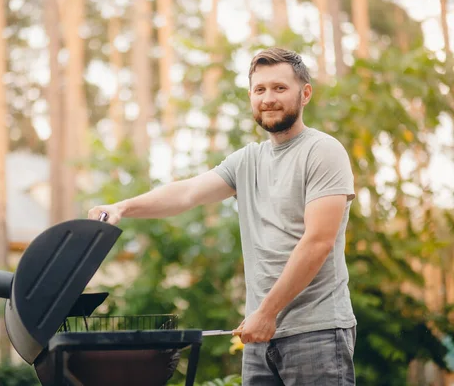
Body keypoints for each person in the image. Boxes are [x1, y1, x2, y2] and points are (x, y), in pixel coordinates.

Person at [87, 47, 357, 385]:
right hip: (260, 335)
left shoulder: (323, 152)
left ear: (305, 94)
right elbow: (186, 193)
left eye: (279, 88)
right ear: (251, 97)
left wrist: (266, 313)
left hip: (316, 332)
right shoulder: (247, 161)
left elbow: (318, 242)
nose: (268, 98)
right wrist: (123, 207)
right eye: (260, 90)